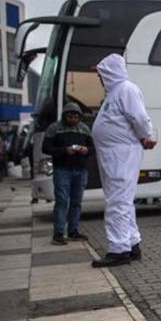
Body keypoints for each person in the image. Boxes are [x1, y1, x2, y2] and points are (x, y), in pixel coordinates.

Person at [91, 54, 157, 268]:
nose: (99, 78)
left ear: (109, 71)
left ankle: (119, 249)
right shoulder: (115, 92)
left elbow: (139, 117)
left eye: (101, 73)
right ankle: (132, 244)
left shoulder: (126, 89)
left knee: (117, 202)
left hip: (121, 154)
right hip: (114, 154)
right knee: (122, 201)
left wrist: (145, 136)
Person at [42, 103, 94, 245]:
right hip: (62, 170)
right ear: (65, 115)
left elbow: (93, 148)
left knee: (76, 202)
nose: (73, 118)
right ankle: (58, 234)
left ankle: (73, 231)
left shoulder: (84, 128)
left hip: (81, 170)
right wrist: (65, 150)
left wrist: (86, 150)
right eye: (70, 116)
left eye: (76, 116)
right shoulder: (54, 128)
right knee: (62, 201)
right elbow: (45, 148)